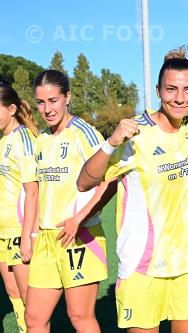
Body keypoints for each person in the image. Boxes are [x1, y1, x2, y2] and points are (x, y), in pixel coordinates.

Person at [77, 48, 188, 333]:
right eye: (171, 89)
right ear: (157, 90)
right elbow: (84, 182)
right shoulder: (135, 133)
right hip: (143, 264)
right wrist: (111, 142)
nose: (179, 98)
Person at [24, 69, 114, 333]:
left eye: (53, 100)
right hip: (46, 240)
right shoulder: (41, 139)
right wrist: (31, 233)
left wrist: (79, 219)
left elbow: (109, 181)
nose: (47, 109)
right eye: (41, 102)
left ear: (68, 98)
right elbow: (38, 191)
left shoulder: (83, 133)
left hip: (79, 236)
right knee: (34, 318)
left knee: (79, 316)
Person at [0, 83, 38, 332]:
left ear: (12, 109)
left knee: (30, 300)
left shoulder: (23, 139)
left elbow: (33, 191)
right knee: (13, 292)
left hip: (18, 230)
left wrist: (27, 237)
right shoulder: (3, 139)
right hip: (2, 231)